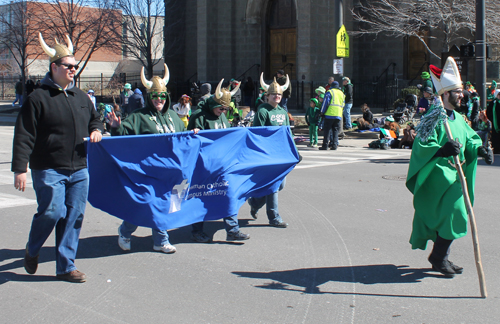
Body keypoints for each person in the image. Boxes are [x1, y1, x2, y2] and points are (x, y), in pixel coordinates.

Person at [12, 33, 103, 283]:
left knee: (74, 216)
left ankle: (66, 266)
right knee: (52, 212)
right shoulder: (37, 98)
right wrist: (20, 168)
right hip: (49, 168)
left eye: (76, 66)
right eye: (69, 66)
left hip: (79, 168)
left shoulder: (82, 97)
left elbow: (95, 119)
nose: (74, 70)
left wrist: (97, 130)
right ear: (55, 67)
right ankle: (33, 248)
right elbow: (24, 135)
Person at [406, 57, 493, 278]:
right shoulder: (434, 117)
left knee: (454, 216)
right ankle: (439, 257)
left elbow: (470, 139)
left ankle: (440, 256)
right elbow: (421, 145)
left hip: (457, 175)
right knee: (456, 214)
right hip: (438, 177)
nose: (462, 95)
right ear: (445, 94)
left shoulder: (459, 117)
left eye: (461, 91)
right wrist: (441, 150)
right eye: (457, 92)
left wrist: (480, 149)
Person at [108, 64, 185, 254]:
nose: (158, 99)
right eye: (154, 96)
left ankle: (160, 240)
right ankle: (125, 231)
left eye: (162, 96)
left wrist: (194, 134)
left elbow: (184, 140)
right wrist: (116, 128)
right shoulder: (138, 117)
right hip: (146, 171)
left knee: (164, 205)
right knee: (145, 204)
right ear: (149, 97)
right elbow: (122, 137)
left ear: (166, 97)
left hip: (170, 172)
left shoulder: (174, 117)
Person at [186, 79, 250, 242]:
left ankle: (232, 230)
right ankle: (196, 231)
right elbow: (190, 142)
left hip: (222, 165)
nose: (223, 111)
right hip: (203, 166)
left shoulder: (222, 117)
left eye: (226, 109)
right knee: (200, 197)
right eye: (221, 108)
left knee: (228, 195)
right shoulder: (198, 117)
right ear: (214, 104)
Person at [247, 72, 291, 228]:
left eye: (279, 94)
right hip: (267, 154)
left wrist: (293, 151)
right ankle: (274, 217)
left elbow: (287, 133)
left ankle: (255, 202)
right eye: (273, 94)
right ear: (267, 95)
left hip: (281, 154)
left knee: (280, 185)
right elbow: (257, 133)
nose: (276, 96)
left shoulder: (283, 112)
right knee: (273, 185)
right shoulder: (263, 110)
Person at [319, 81, 344, 150]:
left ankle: (325, 145)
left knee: (327, 130)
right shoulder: (341, 93)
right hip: (338, 114)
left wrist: (322, 112)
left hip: (329, 114)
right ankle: (334, 145)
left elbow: (325, 103)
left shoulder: (330, 92)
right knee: (335, 130)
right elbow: (343, 104)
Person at [486, 89, 500, 154]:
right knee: (495, 136)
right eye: (499, 94)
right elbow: (488, 113)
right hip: (495, 123)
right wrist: (492, 119)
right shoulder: (493, 103)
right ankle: (496, 149)